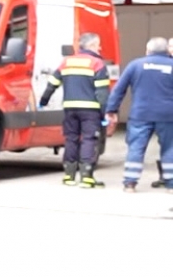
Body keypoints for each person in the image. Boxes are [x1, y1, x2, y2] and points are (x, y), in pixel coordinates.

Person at [43, 33, 114, 187]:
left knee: (71, 139)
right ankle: (86, 177)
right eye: (98, 45)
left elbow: (52, 83)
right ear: (92, 46)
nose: (100, 48)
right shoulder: (97, 64)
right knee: (89, 139)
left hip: (70, 108)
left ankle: (69, 176)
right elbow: (102, 93)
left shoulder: (66, 62)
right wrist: (104, 114)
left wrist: (43, 101)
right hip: (91, 110)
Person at [105, 37, 173, 192]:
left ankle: (130, 183)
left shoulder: (135, 65)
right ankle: (171, 184)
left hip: (140, 114)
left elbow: (119, 89)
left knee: (136, 147)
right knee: (170, 148)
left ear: (148, 50)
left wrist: (111, 110)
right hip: (168, 115)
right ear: (167, 51)